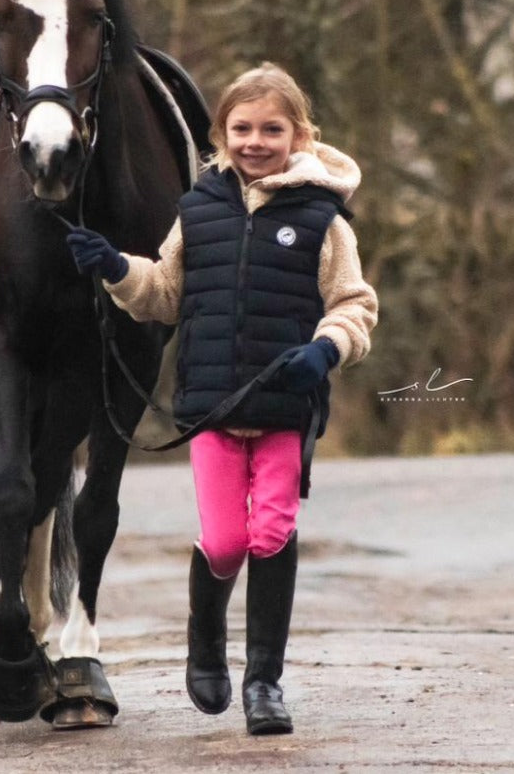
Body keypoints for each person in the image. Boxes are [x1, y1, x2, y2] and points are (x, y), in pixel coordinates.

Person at [66, 62, 378, 735]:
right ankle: (205, 644)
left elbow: (354, 304)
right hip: (211, 410)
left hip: (285, 409)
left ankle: (264, 683)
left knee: (272, 534)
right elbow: (164, 293)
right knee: (227, 542)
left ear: (300, 136)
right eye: (243, 128)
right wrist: (117, 268)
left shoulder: (323, 219)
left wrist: (326, 349)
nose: (255, 141)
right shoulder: (197, 212)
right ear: (221, 134)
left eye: (272, 129)